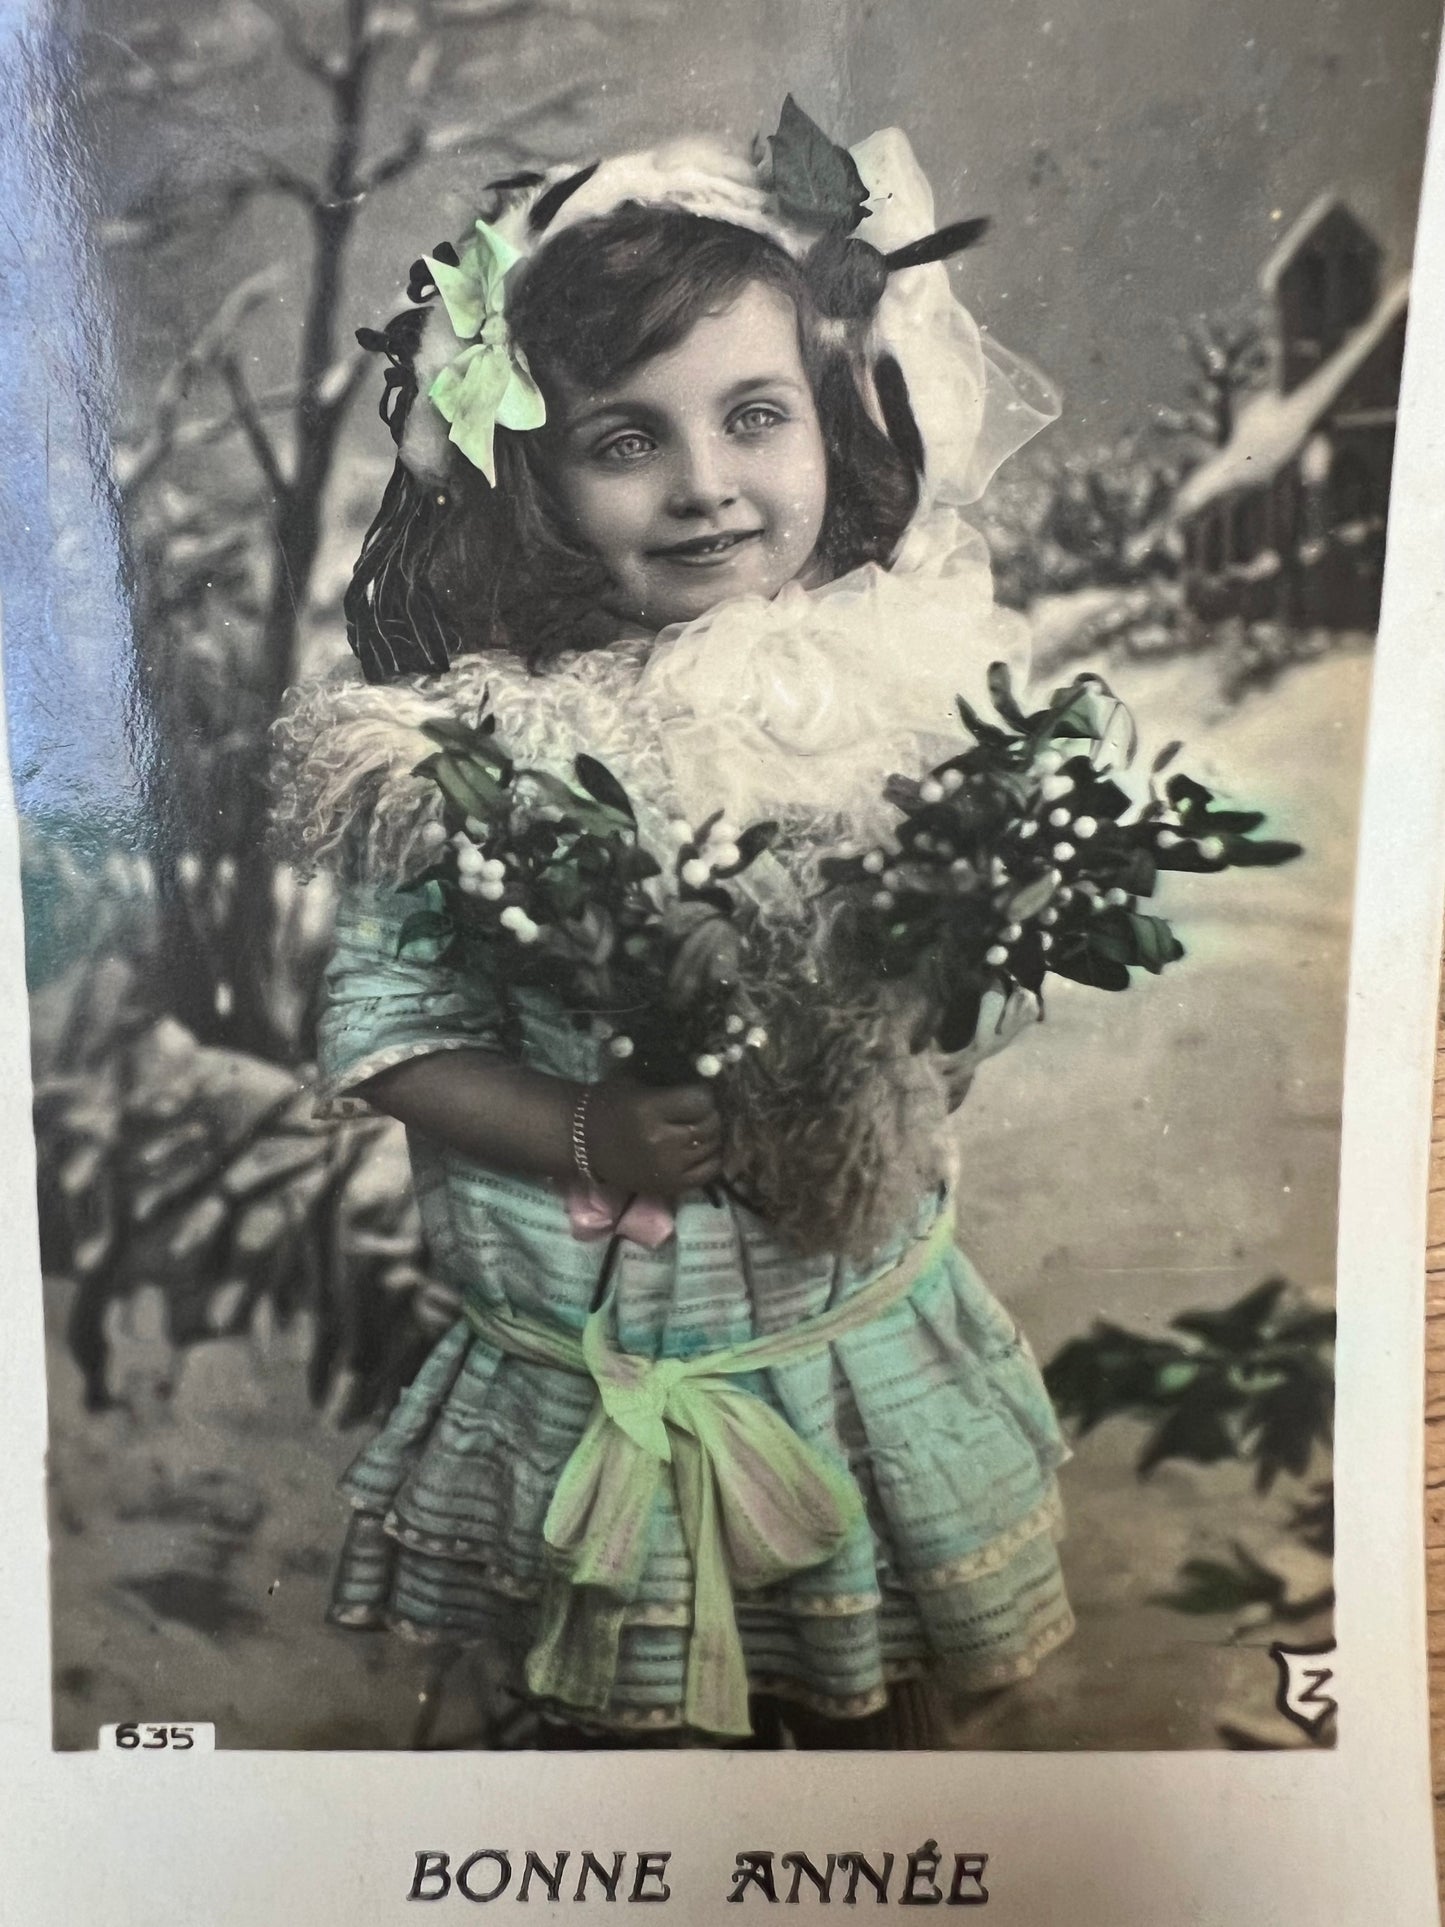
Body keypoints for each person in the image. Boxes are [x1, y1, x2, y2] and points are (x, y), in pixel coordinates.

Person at [270, 109, 1074, 1749]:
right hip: (600, 1367)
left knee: (874, 1729)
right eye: (626, 439)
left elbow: (960, 1017)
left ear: (832, 427)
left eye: (753, 416)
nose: (705, 485)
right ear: (539, 480)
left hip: (834, 1342)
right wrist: (586, 1126)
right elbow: (385, 1034)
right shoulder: (478, 753)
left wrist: (915, 993)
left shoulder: (893, 702)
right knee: (611, 1738)